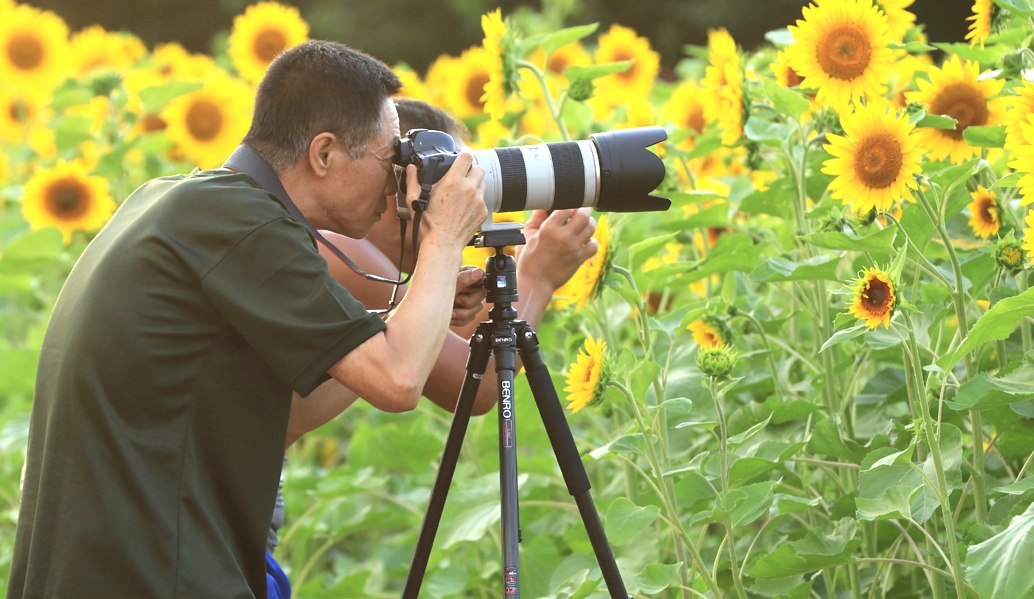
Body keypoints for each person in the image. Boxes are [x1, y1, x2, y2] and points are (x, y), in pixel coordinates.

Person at [8, 41, 488, 599]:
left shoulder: (183, 201)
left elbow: (291, 409)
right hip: (158, 576)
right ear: (324, 154)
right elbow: (399, 380)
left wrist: (407, 314)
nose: (396, 184)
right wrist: (446, 239)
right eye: (389, 160)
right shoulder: (247, 226)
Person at [284, 98, 600, 450]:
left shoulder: (328, 248)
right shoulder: (337, 250)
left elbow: (443, 341)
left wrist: (522, 267)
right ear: (404, 181)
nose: (468, 204)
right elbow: (475, 384)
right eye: (451, 185)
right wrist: (537, 277)